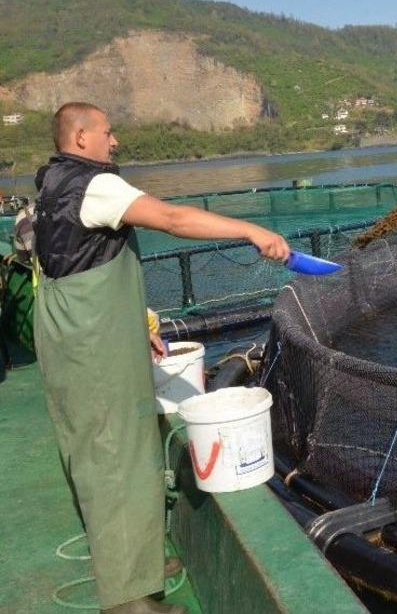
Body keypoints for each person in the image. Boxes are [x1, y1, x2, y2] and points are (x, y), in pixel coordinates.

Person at [33, 102, 290, 614]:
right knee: (116, 454)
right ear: (81, 137)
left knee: (92, 448)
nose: (115, 141)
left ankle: (133, 561)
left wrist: (134, 323)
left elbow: (71, 265)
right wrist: (251, 230)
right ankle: (130, 600)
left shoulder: (50, 183)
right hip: (94, 343)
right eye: (107, 132)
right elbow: (172, 219)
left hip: (71, 333)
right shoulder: (95, 185)